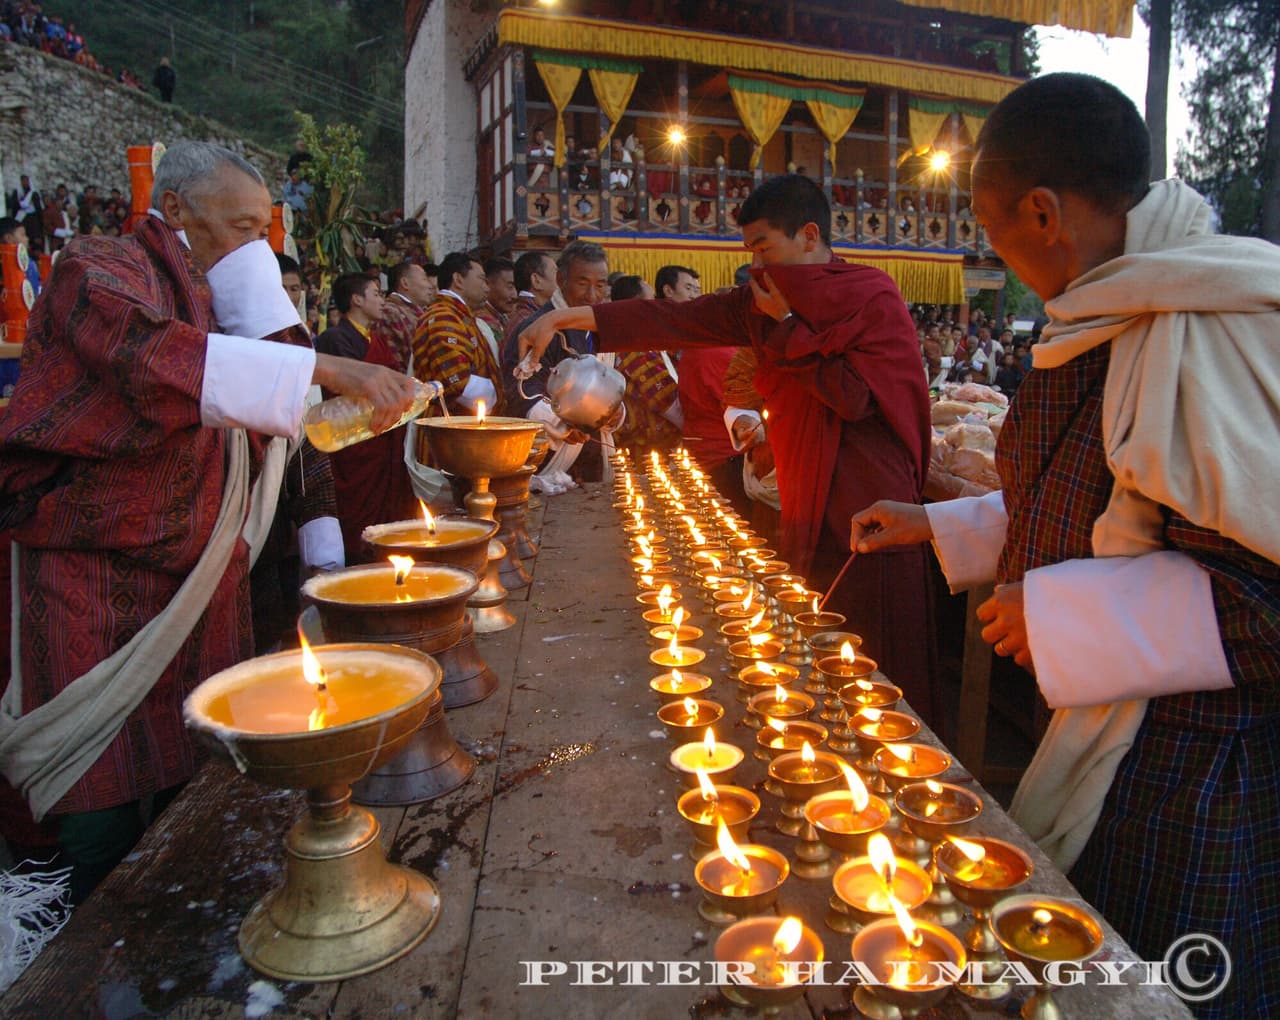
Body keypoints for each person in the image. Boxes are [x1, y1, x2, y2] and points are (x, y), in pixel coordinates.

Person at [851, 73, 1280, 1018]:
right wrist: (940, 524)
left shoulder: (1218, 330)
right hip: (1097, 722)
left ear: (1042, 214)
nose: (992, 255)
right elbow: (1095, 506)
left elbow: (1266, 605)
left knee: (1157, 992)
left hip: (1188, 779)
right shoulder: (1107, 313)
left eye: (990, 229)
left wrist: (1061, 614)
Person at [0, 142, 416, 903]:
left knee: (207, 784)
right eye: (241, 224)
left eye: (264, 229)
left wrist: (321, 548)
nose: (254, 245)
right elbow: (150, 355)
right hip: (94, 589)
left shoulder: (233, 291)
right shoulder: (100, 267)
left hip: (209, 583)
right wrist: (332, 367)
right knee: (101, 813)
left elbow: (292, 427)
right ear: (179, 209)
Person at [520, 176, 937, 720]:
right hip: (803, 487)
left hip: (867, 493)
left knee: (873, 638)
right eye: (750, 252)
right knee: (813, 618)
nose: (756, 264)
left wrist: (786, 327)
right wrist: (561, 317)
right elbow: (674, 318)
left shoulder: (870, 296)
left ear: (809, 236)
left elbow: (856, 399)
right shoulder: (763, 301)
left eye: (764, 247)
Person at [315, 272, 418, 559]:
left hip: (383, 442)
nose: (382, 300)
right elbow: (346, 397)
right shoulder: (335, 339)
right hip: (357, 445)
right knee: (359, 522)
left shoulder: (378, 339)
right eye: (376, 294)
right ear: (356, 300)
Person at [413, 252, 502, 416]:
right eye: (482, 279)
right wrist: (499, 397)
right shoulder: (442, 316)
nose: (487, 288)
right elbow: (457, 381)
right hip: (453, 429)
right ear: (458, 280)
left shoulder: (457, 315)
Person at [374, 260, 434, 375]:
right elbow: (394, 361)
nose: (430, 286)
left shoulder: (423, 312)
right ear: (405, 283)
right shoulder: (390, 312)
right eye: (424, 279)